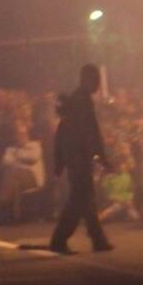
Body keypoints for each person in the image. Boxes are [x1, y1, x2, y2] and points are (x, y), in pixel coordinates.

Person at [49, 64, 113, 254]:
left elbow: (63, 131)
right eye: (96, 80)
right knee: (79, 200)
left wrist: (60, 159)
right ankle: (59, 239)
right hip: (79, 159)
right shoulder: (82, 101)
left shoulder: (75, 100)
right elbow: (91, 132)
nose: (98, 85)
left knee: (87, 199)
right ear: (89, 79)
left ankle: (98, 239)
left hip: (74, 158)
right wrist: (102, 157)